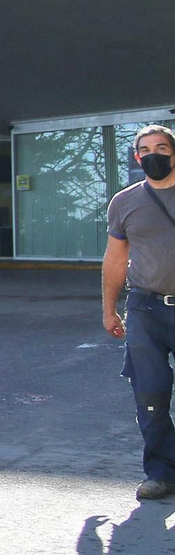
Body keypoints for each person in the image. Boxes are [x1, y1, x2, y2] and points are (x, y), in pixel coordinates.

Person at [103, 124, 175, 500]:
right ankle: (162, 473)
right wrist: (109, 309)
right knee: (150, 394)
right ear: (136, 157)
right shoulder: (125, 201)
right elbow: (116, 259)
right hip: (145, 307)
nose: (154, 155)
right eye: (145, 149)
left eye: (162, 148)